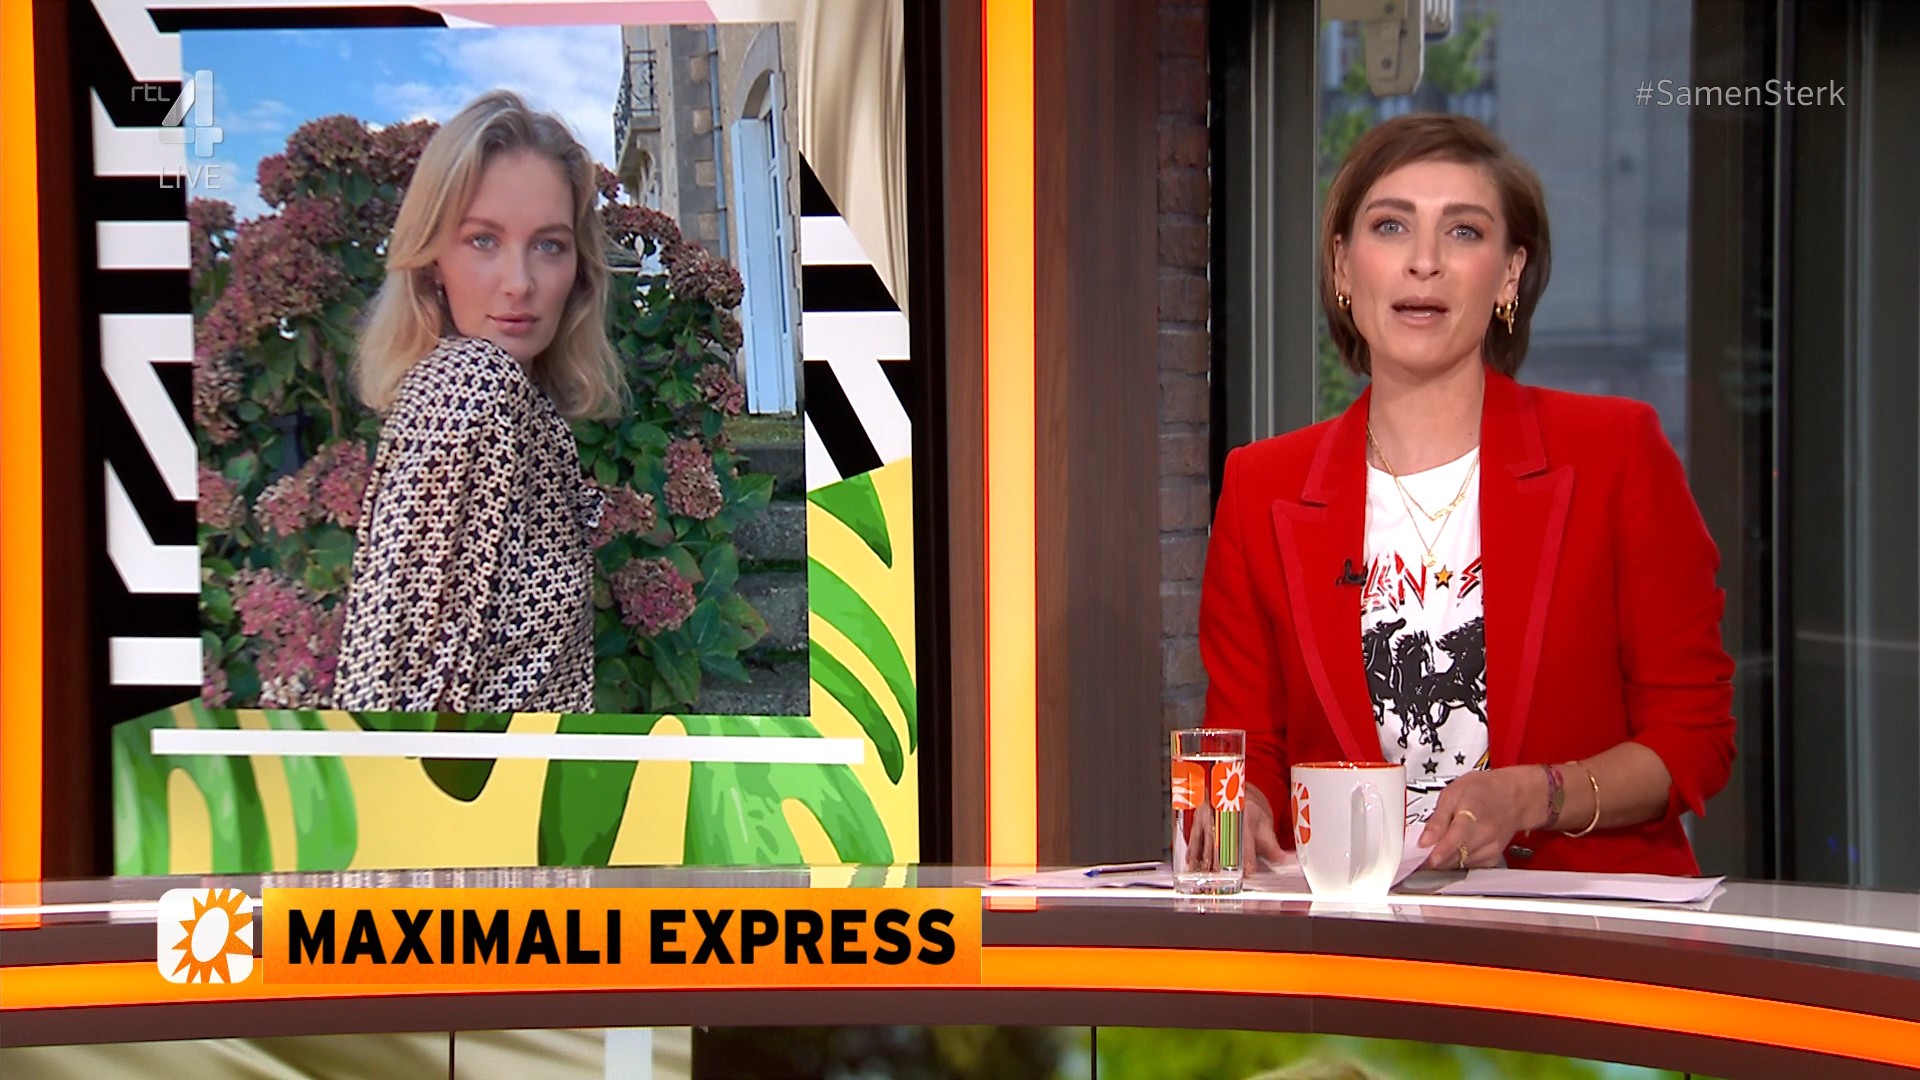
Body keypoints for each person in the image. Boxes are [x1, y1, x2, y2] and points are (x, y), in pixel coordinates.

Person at [1200, 114, 1735, 875]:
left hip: (1580, 928)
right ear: (1343, 266)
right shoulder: (1263, 488)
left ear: (1510, 274)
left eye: (1463, 232)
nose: (1424, 262)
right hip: (1361, 930)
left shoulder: (1614, 453)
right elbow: (1248, 748)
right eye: (1391, 226)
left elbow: (1692, 736)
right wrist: (1241, 807)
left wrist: (1537, 795)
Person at [333, 90, 623, 714]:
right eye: (483, 240)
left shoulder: (505, 395)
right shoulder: (472, 389)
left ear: (579, 267)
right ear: (432, 260)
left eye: (549, 245)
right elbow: (395, 699)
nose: (519, 283)